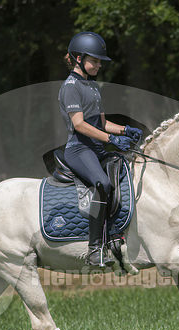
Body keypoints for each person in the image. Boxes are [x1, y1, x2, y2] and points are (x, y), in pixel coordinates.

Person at [58, 31, 142, 267]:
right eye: (93, 61)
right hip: (78, 150)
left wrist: (124, 130)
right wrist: (110, 139)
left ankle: (115, 234)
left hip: (96, 148)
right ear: (78, 58)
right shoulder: (71, 87)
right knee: (103, 184)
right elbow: (79, 124)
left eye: (99, 62)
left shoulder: (93, 86)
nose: (97, 65)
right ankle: (94, 249)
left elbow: (102, 122)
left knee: (124, 170)